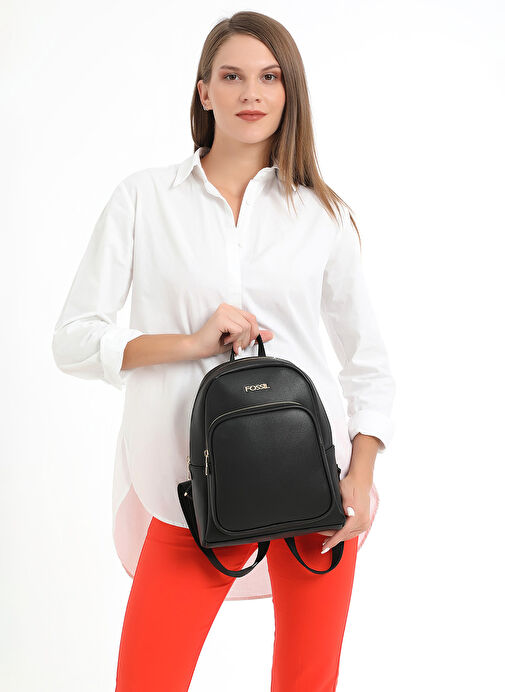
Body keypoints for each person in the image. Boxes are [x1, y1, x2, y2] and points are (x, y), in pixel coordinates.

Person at [52, 10, 396, 692]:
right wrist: (188, 343)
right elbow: (73, 339)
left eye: (269, 78)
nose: (251, 94)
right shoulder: (144, 199)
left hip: (314, 486)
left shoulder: (322, 215)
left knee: (307, 681)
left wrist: (359, 477)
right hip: (189, 490)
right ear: (203, 90)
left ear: (289, 91)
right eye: (232, 76)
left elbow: (368, 364)